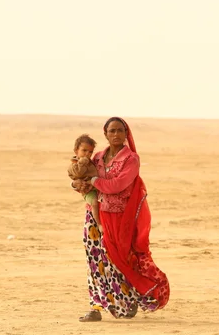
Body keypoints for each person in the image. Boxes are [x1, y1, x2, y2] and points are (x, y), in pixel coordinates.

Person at [72, 117, 170, 322]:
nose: (115, 134)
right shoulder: (98, 157)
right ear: (105, 134)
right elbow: (79, 176)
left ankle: (126, 301)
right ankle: (96, 306)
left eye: (119, 130)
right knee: (94, 260)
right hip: (94, 215)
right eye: (111, 131)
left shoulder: (131, 159)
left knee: (117, 261)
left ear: (126, 134)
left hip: (119, 219)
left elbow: (118, 185)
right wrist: (79, 184)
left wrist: (92, 182)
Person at [67, 134, 102, 232]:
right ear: (76, 151)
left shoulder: (91, 162)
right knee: (94, 203)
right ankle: (99, 224)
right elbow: (78, 173)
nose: (87, 154)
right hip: (89, 191)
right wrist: (83, 162)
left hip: (98, 189)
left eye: (90, 152)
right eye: (84, 150)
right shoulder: (75, 164)